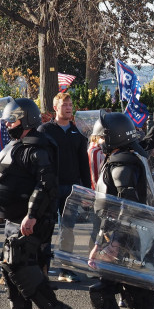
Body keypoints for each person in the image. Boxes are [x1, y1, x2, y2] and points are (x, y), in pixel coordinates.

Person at [0, 98, 73, 309]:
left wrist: (32, 215)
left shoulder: (38, 147)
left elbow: (45, 185)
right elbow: (10, 181)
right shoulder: (18, 145)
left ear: (25, 119)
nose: (8, 124)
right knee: (9, 267)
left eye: (12, 119)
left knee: (21, 265)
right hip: (14, 219)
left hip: (34, 221)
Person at [85, 112, 154, 309]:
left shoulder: (121, 163)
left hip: (125, 240)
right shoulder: (129, 157)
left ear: (114, 136)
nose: (97, 142)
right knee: (136, 294)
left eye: (101, 137)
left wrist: (113, 242)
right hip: (130, 238)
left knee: (104, 293)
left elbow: (127, 206)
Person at [38, 92, 91, 283]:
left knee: (68, 230)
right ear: (55, 108)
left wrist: (87, 189)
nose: (69, 108)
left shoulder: (78, 132)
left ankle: (65, 269)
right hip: (49, 188)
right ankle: (42, 269)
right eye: (65, 105)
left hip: (71, 188)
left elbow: (83, 163)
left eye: (70, 104)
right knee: (45, 228)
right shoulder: (45, 130)